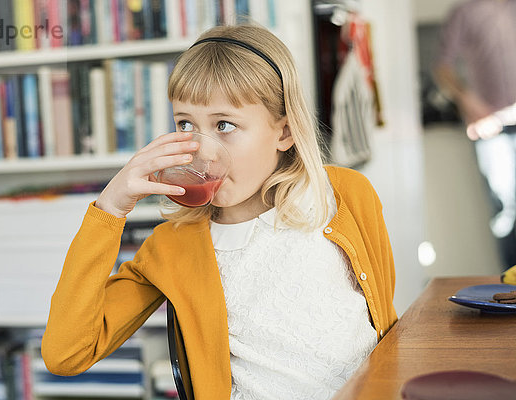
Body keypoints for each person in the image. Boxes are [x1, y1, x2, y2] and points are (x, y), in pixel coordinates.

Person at [41, 24, 397, 400]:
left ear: (284, 132)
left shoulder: (343, 195)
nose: (203, 150)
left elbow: (385, 322)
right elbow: (66, 354)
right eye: (185, 124)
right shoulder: (172, 247)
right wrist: (109, 208)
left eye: (224, 125)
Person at [434, 0, 516, 268]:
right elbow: (442, 67)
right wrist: (468, 100)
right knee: (507, 212)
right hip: (492, 127)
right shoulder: (464, 13)